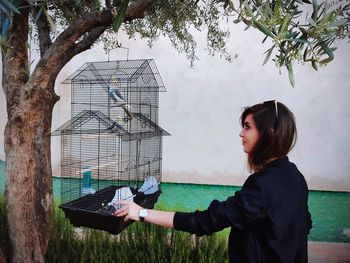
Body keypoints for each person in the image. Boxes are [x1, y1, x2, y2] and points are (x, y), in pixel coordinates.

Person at [114, 100, 312, 263]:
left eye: (248, 127)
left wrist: (139, 212)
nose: (241, 134)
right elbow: (299, 234)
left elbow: (205, 222)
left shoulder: (263, 186)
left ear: (268, 133)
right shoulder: (295, 177)